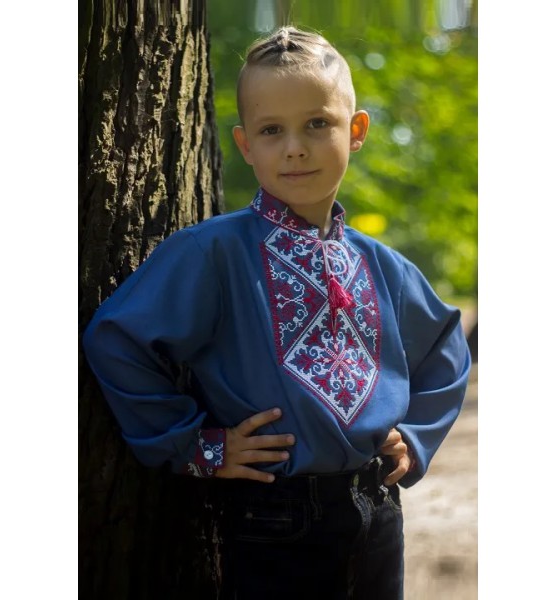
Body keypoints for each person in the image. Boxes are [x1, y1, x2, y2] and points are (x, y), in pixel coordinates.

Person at [82, 26, 471, 600]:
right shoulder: (214, 252)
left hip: (377, 511)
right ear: (245, 145)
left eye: (317, 123)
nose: (295, 147)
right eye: (272, 130)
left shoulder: (382, 265)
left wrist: (414, 438)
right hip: (272, 520)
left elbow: (444, 347)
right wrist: (197, 443)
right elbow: (117, 340)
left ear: (355, 129)